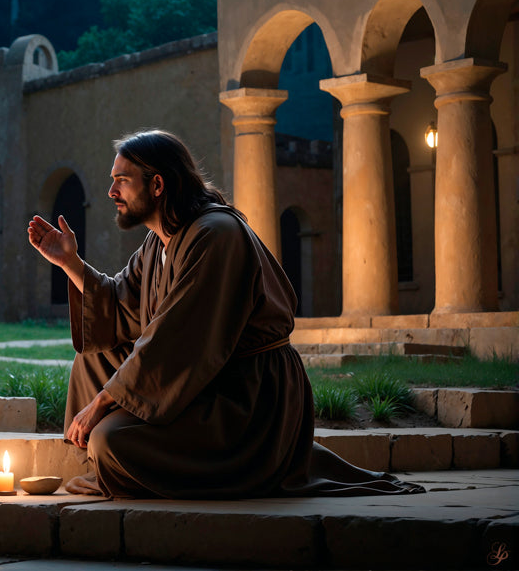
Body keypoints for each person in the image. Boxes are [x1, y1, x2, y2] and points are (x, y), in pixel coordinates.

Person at [27, 129, 423, 500]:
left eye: (122, 180)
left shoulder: (215, 235)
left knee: (109, 439)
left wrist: (100, 405)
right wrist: (70, 263)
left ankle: (136, 463)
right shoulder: (159, 240)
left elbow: (174, 343)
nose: (111, 191)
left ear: (158, 185)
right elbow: (120, 307)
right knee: (94, 355)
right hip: (202, 382)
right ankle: (118, 464)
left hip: (245, 401)